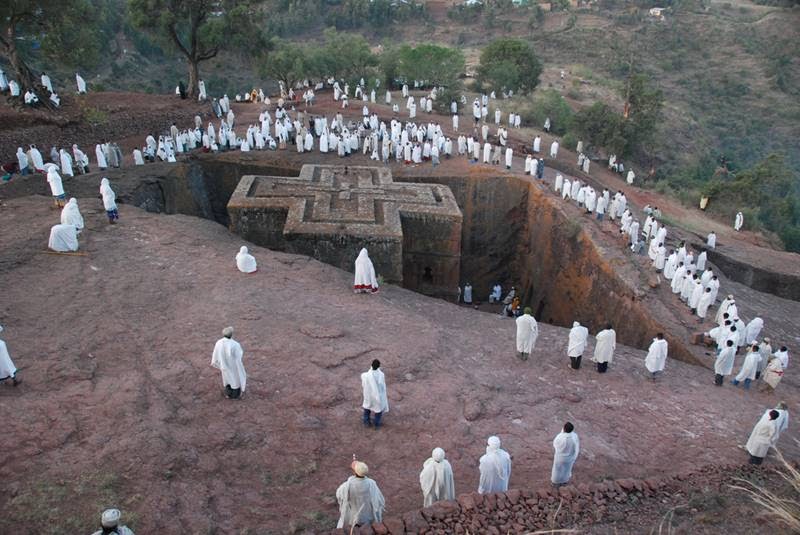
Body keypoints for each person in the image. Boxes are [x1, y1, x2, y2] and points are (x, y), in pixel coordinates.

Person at [335, 460, 385, 529]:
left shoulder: (347, 486)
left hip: (354, 518)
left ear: (355, 472)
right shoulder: (371, 483)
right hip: (368, 517)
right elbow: (378, 499)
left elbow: (338, 495)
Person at [210, 326, 246, 399]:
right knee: (235, 380)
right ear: (231, 334)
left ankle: (228, 393)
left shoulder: (219, 342)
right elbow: (239, 355)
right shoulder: (235, 344)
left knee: (227, 379)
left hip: (223, 365)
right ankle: (235, 395)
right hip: (233, 366)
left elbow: (216, 353)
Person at [361, 359, 388, 428]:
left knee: (367, 408)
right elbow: (382, 386)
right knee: (378, 410)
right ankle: (376, 424)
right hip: (378, 396)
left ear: (371, 365)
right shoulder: (381, 375)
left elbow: (363, 384)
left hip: (369, 395)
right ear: (379, 366)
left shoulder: (365, 375)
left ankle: (366, 422)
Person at [551, 422, 580, 487]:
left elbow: (555, 445)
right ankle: (564, 481)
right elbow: (577, 448)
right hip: (569, 458)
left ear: (564, 428)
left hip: (560, 458)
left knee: (557, 470)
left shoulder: (560, 436)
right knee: (567, 470)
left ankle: (555, 482)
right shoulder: (574, 436)